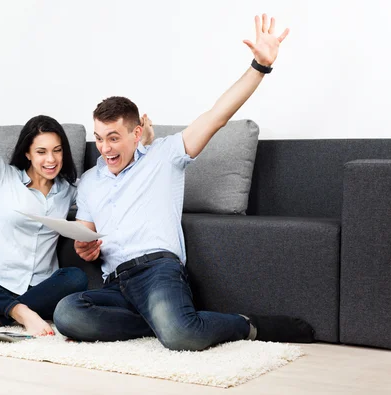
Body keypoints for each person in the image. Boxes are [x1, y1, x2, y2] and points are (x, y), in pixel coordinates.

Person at [53, 14, 316, 350]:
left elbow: (216, 115)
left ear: (136, 134)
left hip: (158, 270)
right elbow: (85, 237)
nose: (104, 148)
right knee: (67, 313)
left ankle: (247, 325)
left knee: (180, 336)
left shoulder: (166, 156)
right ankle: (162, 321)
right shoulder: (90, 181)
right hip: (115, 283)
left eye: (114, 138)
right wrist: (84, 248)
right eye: (99, 138)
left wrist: (259, 66)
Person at [0, 66, 155, 336]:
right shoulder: (4, 178)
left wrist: (144, 145)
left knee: (75, 278)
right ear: (27, 153)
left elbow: (112, 178)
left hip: (39, 292)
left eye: (57, 151)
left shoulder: (71, 189)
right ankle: (17, 312)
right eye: (42, 152)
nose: (51, 160)